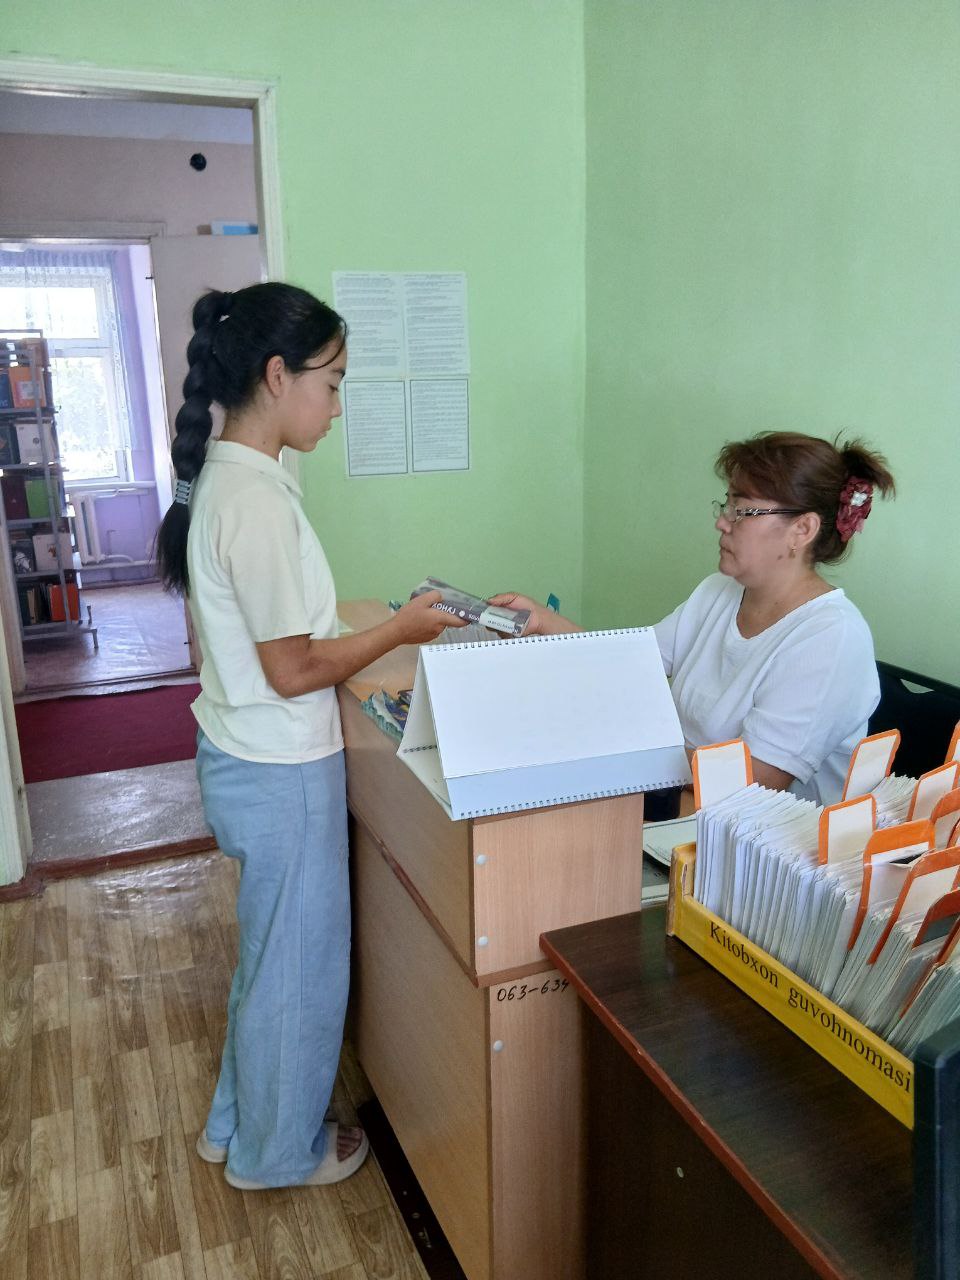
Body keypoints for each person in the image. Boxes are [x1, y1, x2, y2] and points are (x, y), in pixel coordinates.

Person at [155, 283, 461, 1191]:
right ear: (277, 375)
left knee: (268, 957)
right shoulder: (253, 499)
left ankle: (233, 1126)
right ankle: (274, 1156)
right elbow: (292, 669)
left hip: (246, 753)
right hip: (278, 767)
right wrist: (401, 628)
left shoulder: (237, 478)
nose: (336, 405)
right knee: (297, 971)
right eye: (331, 384)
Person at [492, 431, 895, 807]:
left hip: (758, 839)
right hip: (680, 807)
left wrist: (627, 745)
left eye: (741, 510)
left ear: (802, 529)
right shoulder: (720, 591)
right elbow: (630, 662)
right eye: (726, 505)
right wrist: (542, 622)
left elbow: (755, 780)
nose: (722, 521)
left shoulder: (831, 637)